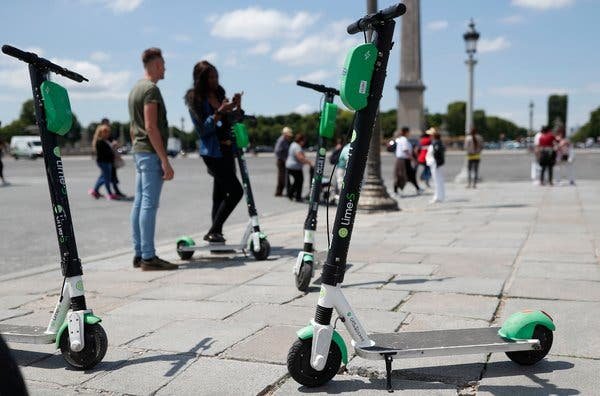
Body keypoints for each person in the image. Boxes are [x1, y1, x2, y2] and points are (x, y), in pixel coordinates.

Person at [128, 47, 177, 271]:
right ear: (156, 65)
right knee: (148, 204)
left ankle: (139, 253)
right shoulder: (150, 90)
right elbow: (150, 126)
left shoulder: (135, 89)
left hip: (140, 151)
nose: (165, 68)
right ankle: (148, 257)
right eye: (163, 64)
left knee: (139, 203)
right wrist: (164, 160)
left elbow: (133, 128)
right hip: (150, 152)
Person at [185, 60, 244, 243]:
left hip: (227, 150)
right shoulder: (195, 98)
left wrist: (236, 106)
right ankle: (214, 230)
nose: (214, 80)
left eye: (216, 75)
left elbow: (233, 119)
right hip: (212, 153)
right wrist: (219, 111)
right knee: (236, 192)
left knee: (219, 194)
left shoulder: (220, 93)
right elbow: (204, 129)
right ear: (200, 79)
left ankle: (215, 236)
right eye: (210, 77)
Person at [88, 124, 118, 200]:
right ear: (100, 132)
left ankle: (95, 191)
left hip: (107, 162)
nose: (107, 133)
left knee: (103, 177)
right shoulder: (99, 141)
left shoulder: (106, 140)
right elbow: (105, 153)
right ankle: (109, 194)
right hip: (104, 162)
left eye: (108, 131)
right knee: (106, 178)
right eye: (105, 131)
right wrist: (112, 147)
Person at [101, 118, 127, 198]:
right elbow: (104, 147)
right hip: (106, 160)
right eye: (107, 123)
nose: (108, 125)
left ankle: (115, 191)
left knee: (109, 176)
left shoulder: (108, 133)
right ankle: (112, 192)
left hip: (110, 159)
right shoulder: (102, 134)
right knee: (107, 177)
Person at [394, 126, 421, 196]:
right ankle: (395, 190)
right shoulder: (404, 140)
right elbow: (405, 150)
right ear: (406, 132)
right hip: (404, 160)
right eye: (409, 132)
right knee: (403, 175)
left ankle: (417, 188)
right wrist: (413, 159)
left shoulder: (400, 139)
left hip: (402, 160)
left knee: (408, 175)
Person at [286, 133, 313, 202]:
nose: (304, 143)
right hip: (295, 167)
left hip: (290, 166)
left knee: (297, 181)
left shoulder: (293, 144)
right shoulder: (297, 147)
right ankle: (296, 196)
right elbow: (300, 158)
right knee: (299, 181)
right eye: (304, 141)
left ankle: (291, 194)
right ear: (301, 140)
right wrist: (310, 163)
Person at [425, 128, 445, 203]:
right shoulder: (437, 142)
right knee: (438, 180)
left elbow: (437, 154)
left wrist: (437, 163)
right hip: (435, 163)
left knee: (437, 181)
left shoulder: (436, 143)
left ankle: (438, 196)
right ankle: (439, 196)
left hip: (435, 164)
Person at [274, 126, 293, 196]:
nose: (289, 137)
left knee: (281, 177)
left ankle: (279, 192)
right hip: (281, 161)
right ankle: (289, 192)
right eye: (288, 135)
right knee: (284, 177)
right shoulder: (281, 140)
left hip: (283, 160)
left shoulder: (285, 140)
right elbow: (277, 151)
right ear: (285, 134)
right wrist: (284, 159)